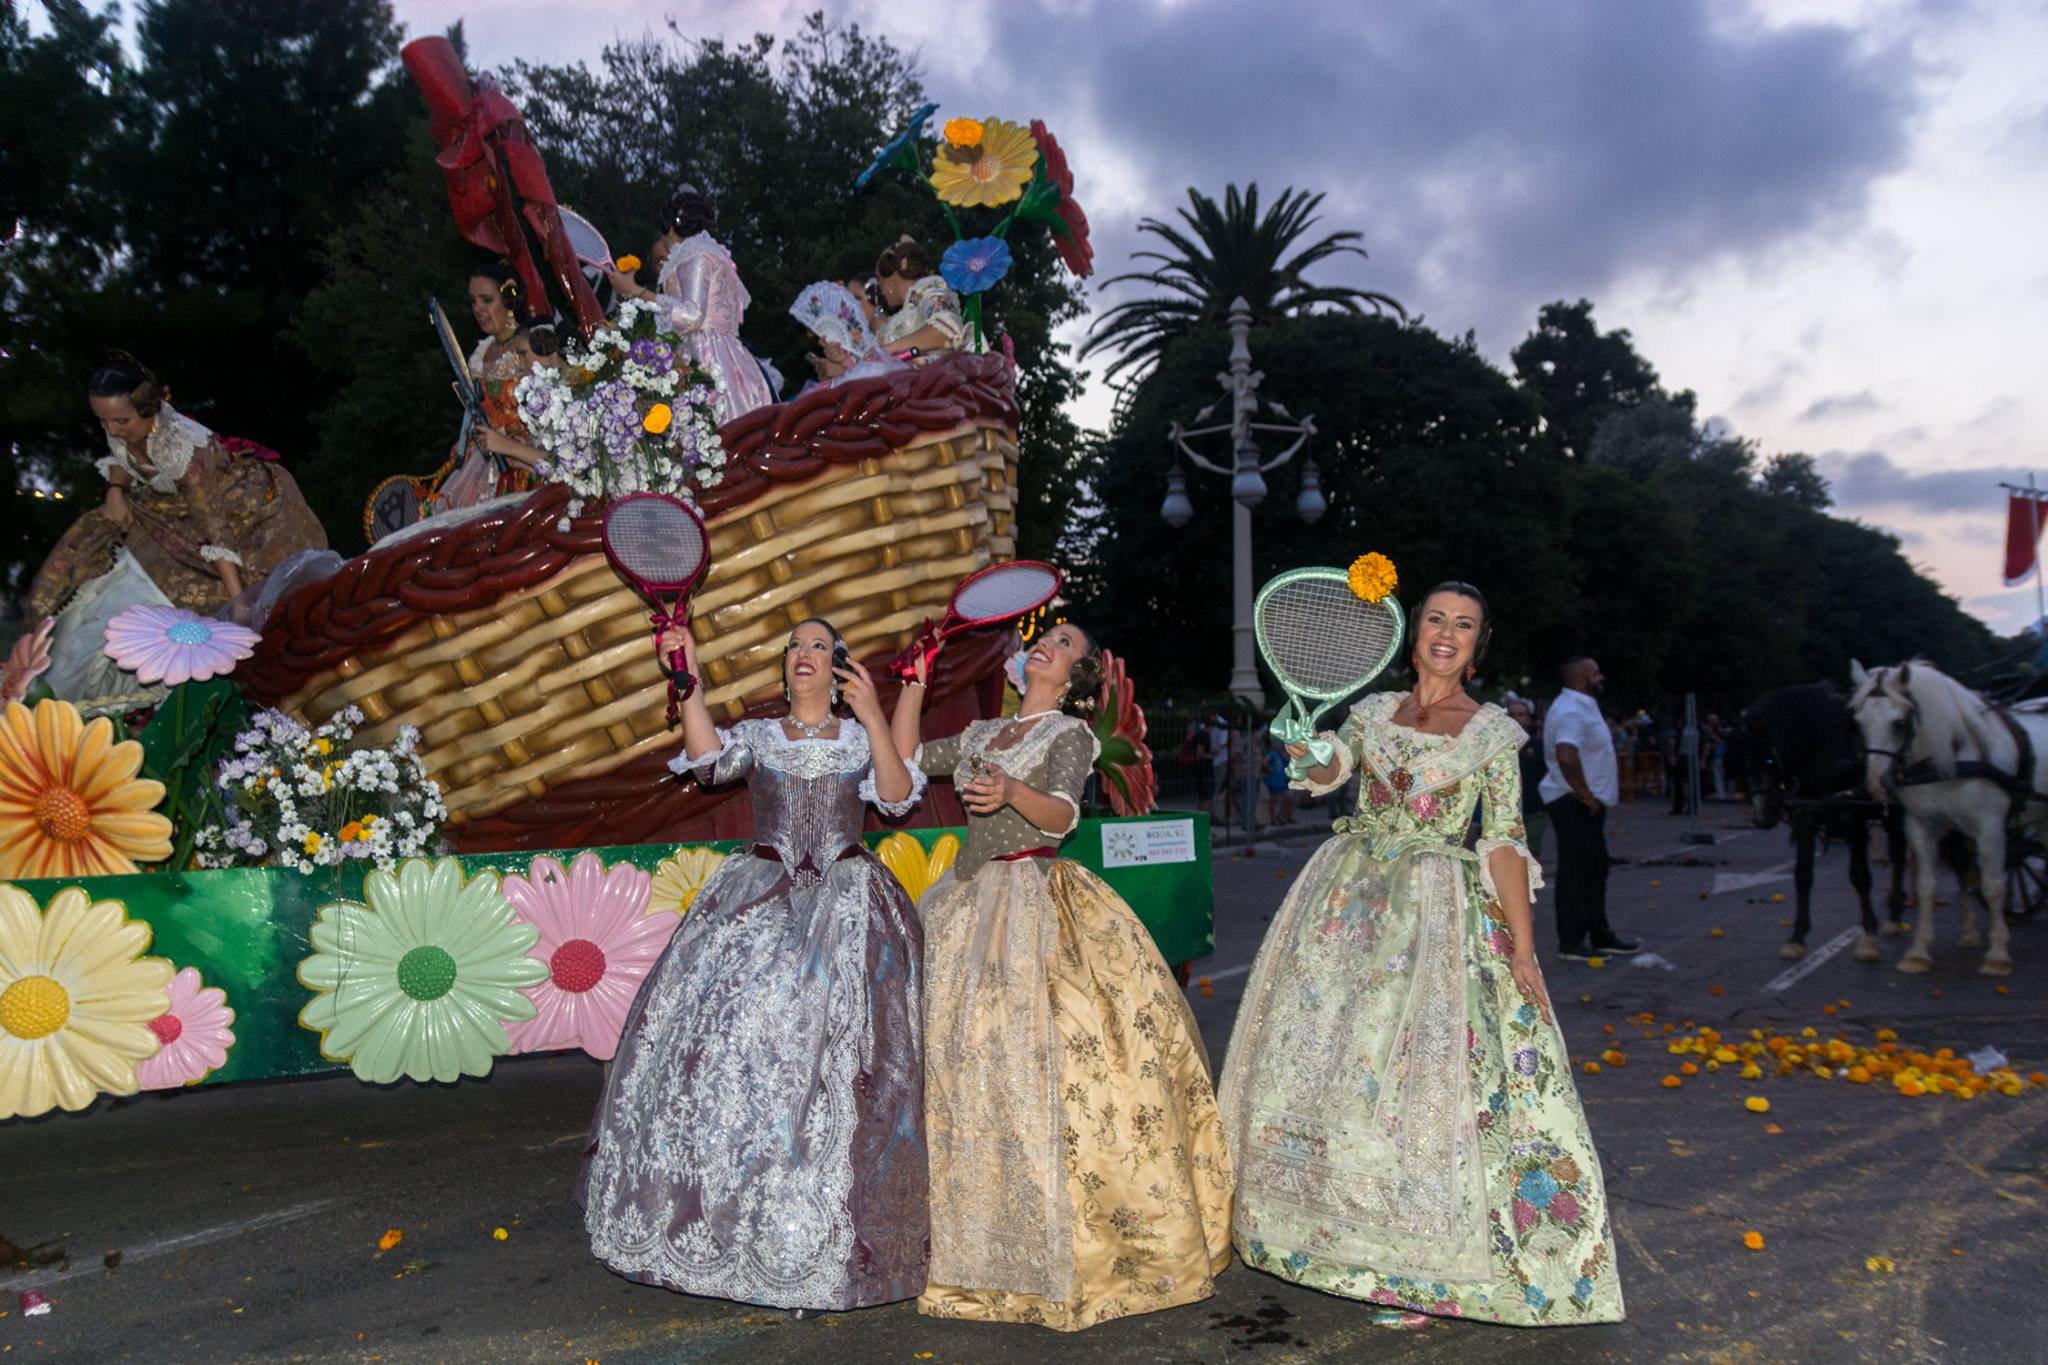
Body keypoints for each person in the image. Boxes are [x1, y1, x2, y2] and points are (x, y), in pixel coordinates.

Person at [1219, 582, 1624, 1326]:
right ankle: (1315, 1233)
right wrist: (1307, 748)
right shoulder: (1372, 713)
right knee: (1326, 1064)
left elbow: (1502, 840)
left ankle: (1417, 1265)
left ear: (1479, 645)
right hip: (1345, 905)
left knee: (1414, 1078)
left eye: (1464, 624)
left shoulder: (1494, 733)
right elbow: (1319, 778)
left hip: (1435, 912)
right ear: (1414, 635)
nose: (1447, 633)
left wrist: (1525, 953)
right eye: (1436, 619)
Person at [890, 622, 1232, 1330]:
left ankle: (1068, 1239)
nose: (1048, 642)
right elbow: (904, 755)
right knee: (965, 1068)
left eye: (1066, 642)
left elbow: (1064, 816)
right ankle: (979, 1232)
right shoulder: (985, 729)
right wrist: (914, 679)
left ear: (1076, 675)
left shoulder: (1069, 733)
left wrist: (1013, 788)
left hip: (1036, 899)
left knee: (1053, 1064)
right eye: (1046, 637)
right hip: (966, 900)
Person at [582, 620, 930, 1313]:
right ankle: (733, 1221)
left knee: (841, 1065)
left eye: (820, 646)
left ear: (838, 666)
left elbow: (895, 796)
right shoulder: (761, 736)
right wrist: (689, 681)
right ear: (785, 668)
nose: (805, 654)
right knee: (737, 1052)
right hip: (761, 904)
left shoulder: (861, 735)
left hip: (847, 908)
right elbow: (710, 762)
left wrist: (873, 715)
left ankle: (818, 1235)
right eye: (794, 646)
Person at [29, 356, 327, 623]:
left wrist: (239, 601)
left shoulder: (178, 447)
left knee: (239, 590)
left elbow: (213, 525)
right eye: (102, 421)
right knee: (92, 536)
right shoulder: (120, 429)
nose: (112, 431)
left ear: (147, 410)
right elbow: (122, 457)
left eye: (121, 421)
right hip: (174, 504)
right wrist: (115, 489)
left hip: (234, 507)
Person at [606, 185, 774, 425]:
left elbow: (692, 314)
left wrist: (636, 292)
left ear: (671, 231)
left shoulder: (695, 255)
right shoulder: (711, 252)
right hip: (728, 355)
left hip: (705, 354)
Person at [1542, 657, 1638, 960]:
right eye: (1596, 673)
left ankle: (1600, 935)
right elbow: (1566, 754)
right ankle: (1571, 941)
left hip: (1584, 802)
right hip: (1574, 802)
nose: (1601, 677)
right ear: (1583, 679)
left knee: (1594, 870)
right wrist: (1585, 795)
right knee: (1576, 872)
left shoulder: (1582, 705)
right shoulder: (1570, 710)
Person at [432, 291, 555, 513]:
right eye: (473, 301)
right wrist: (518, 459)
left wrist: (507, 446)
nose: (522, 365)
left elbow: (570, 470)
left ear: (549, 350)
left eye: (524, 354)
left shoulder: (574, 397)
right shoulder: (547, 395)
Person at [788, 281, 908, 388]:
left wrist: (841, 368)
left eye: (856, 298)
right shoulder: (860, 343)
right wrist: (841, 363)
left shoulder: (896, 329)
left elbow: (893, 372)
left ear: (876, 300)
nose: (849, 307)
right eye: (847, 300)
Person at [872, 236, 965, 364]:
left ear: (891, 284)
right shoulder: (902, 314)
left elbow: (947, 331)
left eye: (879, 281)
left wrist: (890, 349)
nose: (881, 291)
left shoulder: (930, 289)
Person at [1506, 696, 1550, 864]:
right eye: (1512, 714)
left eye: (1521, 714)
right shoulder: (1496, 747)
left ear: (1529, 718)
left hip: (1533, 808)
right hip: (1505, 810)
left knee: (1531, 855)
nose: (1516, 719)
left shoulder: (1538, 745)